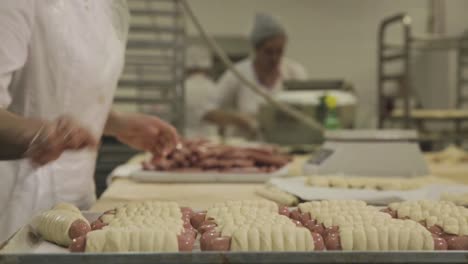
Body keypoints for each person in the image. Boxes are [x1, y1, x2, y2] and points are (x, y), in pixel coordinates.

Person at [0, 1, 179, 243]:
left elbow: (65, 93)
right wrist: (38, 134)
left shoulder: (110, 7)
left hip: (79, 199)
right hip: (15, 199)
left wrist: (116, 122)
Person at [204, 12, 308, 136]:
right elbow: (208, 112)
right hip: (247, 148)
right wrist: (240, 120)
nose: (274, 58)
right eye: (268, 52)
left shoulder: (294, 72)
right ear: (256, 49)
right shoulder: (238, 74)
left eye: (279, 51)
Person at [184, 44, 219, 138]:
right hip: (205, 141)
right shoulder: (210, 86)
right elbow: (209, 115)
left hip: (186, 138)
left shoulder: (183, 86)